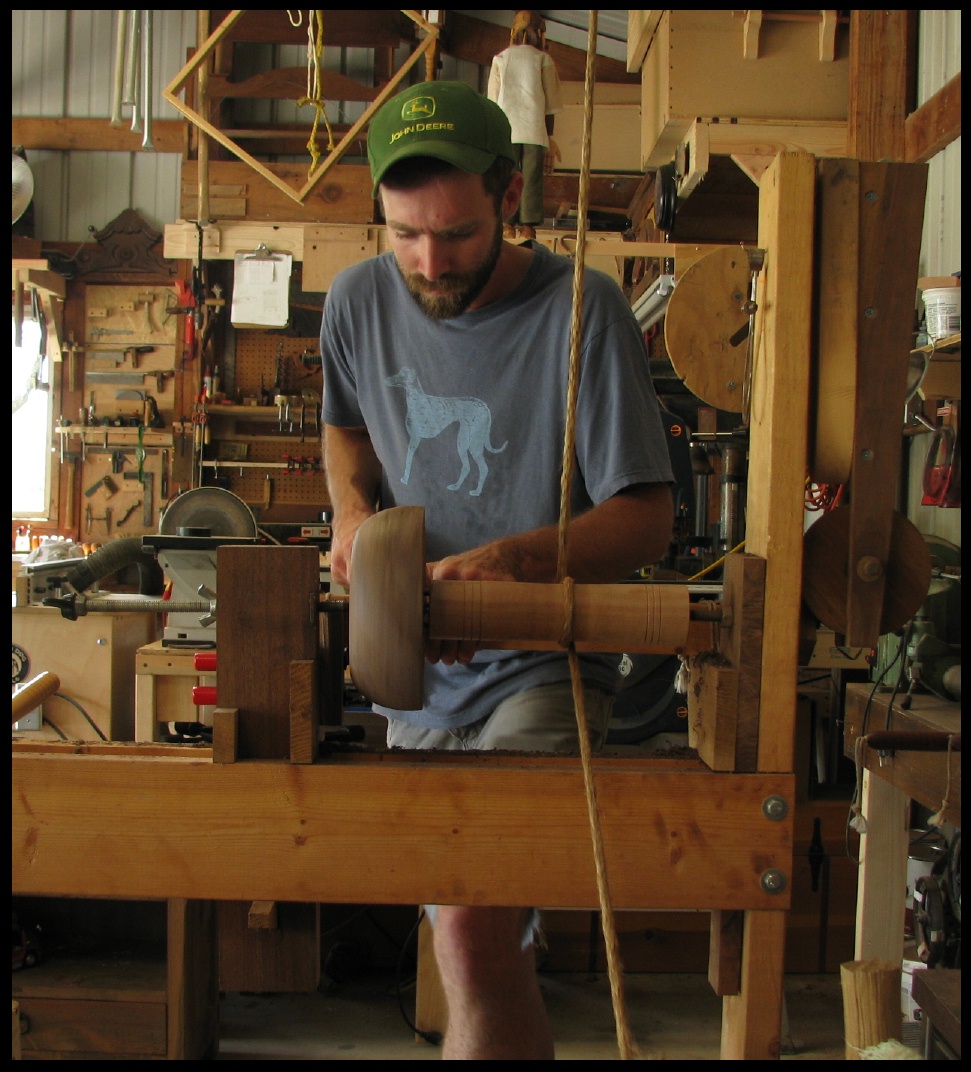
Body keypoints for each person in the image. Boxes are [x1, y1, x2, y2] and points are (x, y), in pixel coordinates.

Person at [320, 78, 674, 1060]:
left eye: (457, 234)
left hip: (543, 664)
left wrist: (516, 559)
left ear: (509, 196)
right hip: (414, 672)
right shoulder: (355, 301)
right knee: (466, 944)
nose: (429, 263)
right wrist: (351, 512)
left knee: (473, 931)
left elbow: (646, 518)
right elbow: (346, 429)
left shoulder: (583, 311)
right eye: (404, 235)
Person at [487, 10, 562, 240]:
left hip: (505, 130)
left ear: (513, 32)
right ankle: (528, 226)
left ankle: (506, 222)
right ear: (540, 34)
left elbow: (492, 101)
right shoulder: (543, 60)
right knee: (531, 178)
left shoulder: (500, 59)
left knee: (507, 176)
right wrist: (550, 136)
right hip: (534, 129)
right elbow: (550, 104)